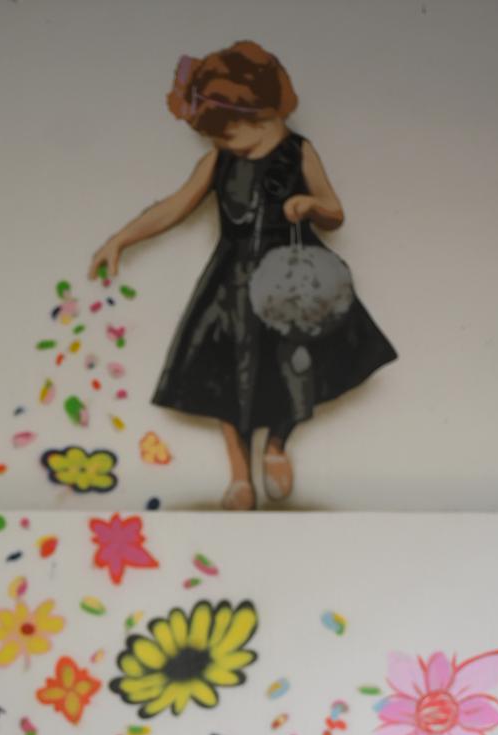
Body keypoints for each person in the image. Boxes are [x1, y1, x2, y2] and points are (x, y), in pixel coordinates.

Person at [88, 42, 396, 511]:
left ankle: (276, 445)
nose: (222, 146)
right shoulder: (218, 161)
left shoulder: (299, 152)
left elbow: (335, 210)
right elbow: (174, 205)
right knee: (223, 372)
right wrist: (122, 239)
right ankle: (238, 475)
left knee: (300, 364)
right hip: (231, 281)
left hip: (294, 281)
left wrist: (311, 206)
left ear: (261, 116)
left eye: (228, 136)